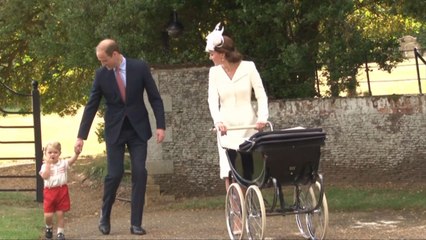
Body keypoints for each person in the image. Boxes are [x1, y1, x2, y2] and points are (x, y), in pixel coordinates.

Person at [74, 39, 165, 236]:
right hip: (115, 130)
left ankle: (136, 224)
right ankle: (104, 216)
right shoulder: (101, 75)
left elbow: (155, 98)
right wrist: (81, 136)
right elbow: (91, 105)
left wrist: (160, 125)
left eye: (104, 60)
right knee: (114, 174)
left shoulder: (139, 67)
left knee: (140, 172)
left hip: (138, 130)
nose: (102, 64)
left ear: (115, 54)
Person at [205, 23, 269, 191]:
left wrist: (262, 117)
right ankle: (235, 208)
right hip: (227, 127)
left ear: (222, 54)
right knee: (229, 168)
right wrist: (217, 121)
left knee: (247, 168)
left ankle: (250, 200)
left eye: (212, 54)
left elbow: (261, 95)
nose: (210, 57)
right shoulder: (214, 73)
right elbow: (212, 99)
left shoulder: (249, 68)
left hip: (248, 125)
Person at [39, 141, 80, 240]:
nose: (52, 154)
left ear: (59, 153)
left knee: (60, 213)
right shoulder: (44, 166)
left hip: (62, 190)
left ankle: (60, 232)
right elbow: (45, 176)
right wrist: (48, 164)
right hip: (49, 191)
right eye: (50, 152)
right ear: (45, 154)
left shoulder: (63, 163)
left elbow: (71, 161)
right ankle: (49, 227)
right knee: (48, 215)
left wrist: (76, 153)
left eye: (55, 152)